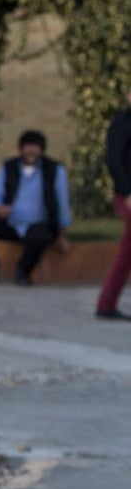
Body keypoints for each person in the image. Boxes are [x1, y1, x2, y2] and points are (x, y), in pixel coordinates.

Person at [0, 130, 70, 286]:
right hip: (11, 223)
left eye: (35, 147)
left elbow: (62, 202)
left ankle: (23, 271)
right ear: (21, 148)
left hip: (38, 225)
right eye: (28, 146)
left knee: (41, 237)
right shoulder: (9, 167)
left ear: (42, 149)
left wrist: (62, 234)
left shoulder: (54, 170)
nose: (31, 150)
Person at [96, 87, 131, 321]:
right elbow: (114, 160)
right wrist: (128, 193)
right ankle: (106, 304)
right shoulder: (121, 123)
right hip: (128, 195)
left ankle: (106, 304)